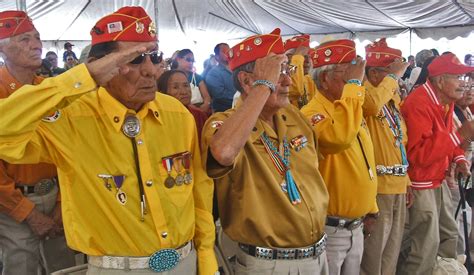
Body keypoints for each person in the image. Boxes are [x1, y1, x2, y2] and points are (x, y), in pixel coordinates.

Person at [0, 7, 217, 275]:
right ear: (101, 65)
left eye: (155, 56)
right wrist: (84, 78)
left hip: (185, 261)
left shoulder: (176, 113)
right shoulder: (73, 116)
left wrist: (206, 259)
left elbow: (199, 192)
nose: (151, 70)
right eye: (135, 59)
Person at [202, 28, 329, 275]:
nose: (288, 81)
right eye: (278, 73)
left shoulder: (294, 118)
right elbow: (224, 152)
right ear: (247, 81)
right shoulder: (223, 124)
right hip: (268, 264)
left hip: (317, 255)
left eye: (288, 71)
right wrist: (263, 87)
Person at [0, 10, 74, 274]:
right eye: (23, 39)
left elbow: (68, 148)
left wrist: (62, 204)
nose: (36, 45)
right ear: (3, 49)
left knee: (65, 266)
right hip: (13, 203)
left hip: (56, 196)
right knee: (21, 266)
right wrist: (28, 214)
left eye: (37, 37)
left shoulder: (50, 89)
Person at [301, 39, 378, 275]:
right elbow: (338, 139)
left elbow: (365, 161)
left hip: (356, 225)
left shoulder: (349, 107)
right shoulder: (311, 113)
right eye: (348, 76)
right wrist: (354, 87)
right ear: (324, 78)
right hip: (331, 229)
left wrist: (371, 207)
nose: (356, 83)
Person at [400, 53, 474, 274]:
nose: (465, 83)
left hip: (438, 178)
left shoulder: (445, 100)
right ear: (440, 80)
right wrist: (460, 135)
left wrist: (459, 157)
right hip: (421, 183)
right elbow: (417, 156)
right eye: (458, 76)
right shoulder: (418, 103)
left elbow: (447, 132)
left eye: (465, 77)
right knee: (425, 246)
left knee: (449, 235)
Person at [359, 38, 411, 275]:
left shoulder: (390, 99)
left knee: (391, 249)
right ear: (373, 72)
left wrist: (406, 180)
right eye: (390, 72)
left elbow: (400, 141)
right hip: (378, 187)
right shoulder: (364, 94)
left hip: (398, 184)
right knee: (373, 253)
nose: (396, 78)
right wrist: (393, 78)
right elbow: (370, 106)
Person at [157, 69, 209, 141]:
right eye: (175, 87)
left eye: (186, 85)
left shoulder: (199, 116)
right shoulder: (157, 119)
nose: (184, 92)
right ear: (162, 93)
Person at [174, 49, 212, 114]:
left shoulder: (197, 77)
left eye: (192, 61)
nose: (191, 63)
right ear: (178, 59)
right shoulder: (171, 77)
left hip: (201, 110)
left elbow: (206, 97)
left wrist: (206, 104)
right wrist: (192, 108)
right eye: (188, 59)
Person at [284, 34, 316, 109]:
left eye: (309, 56)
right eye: (303, 56)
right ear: (288, 57)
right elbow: (295, 90)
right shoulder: (281, 79)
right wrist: (297, 58)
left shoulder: (309, 79)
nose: (308, 61)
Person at [205, 43, 236, 112]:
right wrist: (241, 98)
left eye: (229, 50)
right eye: (224, 51)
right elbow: (220, 95)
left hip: (241, 106)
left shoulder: (237, 69)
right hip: (225, 111)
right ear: (217, 57)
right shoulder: (213, 74)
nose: (228, 53)